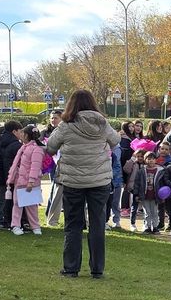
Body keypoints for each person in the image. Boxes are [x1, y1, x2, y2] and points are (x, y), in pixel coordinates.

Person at [45, 90, 122, 278]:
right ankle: (97, 269)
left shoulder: (65, 126)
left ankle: (71, 268)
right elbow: (116, 141)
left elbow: (50, 148)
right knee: (97, 224)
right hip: (99, 180)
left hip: (73, 182)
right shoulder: (103, 124)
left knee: (73, 225)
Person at [6, 124, 46, 236]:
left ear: (27, 135)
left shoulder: (36, 149)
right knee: (17, 204)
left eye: (22, 133)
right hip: (19, 181)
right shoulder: (23, 147)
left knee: (32, 205)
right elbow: (16, 164)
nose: (20, 135)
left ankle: (35, 226)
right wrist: (11, 178)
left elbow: (35, 166)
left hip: (29, 183)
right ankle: (16, 225)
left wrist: (31, 180)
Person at [0, 119, 23, 228]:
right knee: (8, 198)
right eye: (20, 131)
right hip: (10, 175)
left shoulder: (0, 142)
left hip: (0, 174)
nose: (21, 134)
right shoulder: (15, 144)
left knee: (2, 196)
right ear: (14, 131)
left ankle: (0, 219)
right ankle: (6, 219)